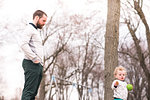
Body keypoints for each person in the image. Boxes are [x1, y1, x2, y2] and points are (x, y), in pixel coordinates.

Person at [20, 10, 47, 100]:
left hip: (37, 65)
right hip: (31, 63)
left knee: (32, 93)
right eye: (43, 20)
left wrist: (40, 63)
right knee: (29, 92)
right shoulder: (29, 29)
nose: (44, 23)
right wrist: (34, 58)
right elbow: (23, 44)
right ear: (36, 18)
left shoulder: (35, 31)